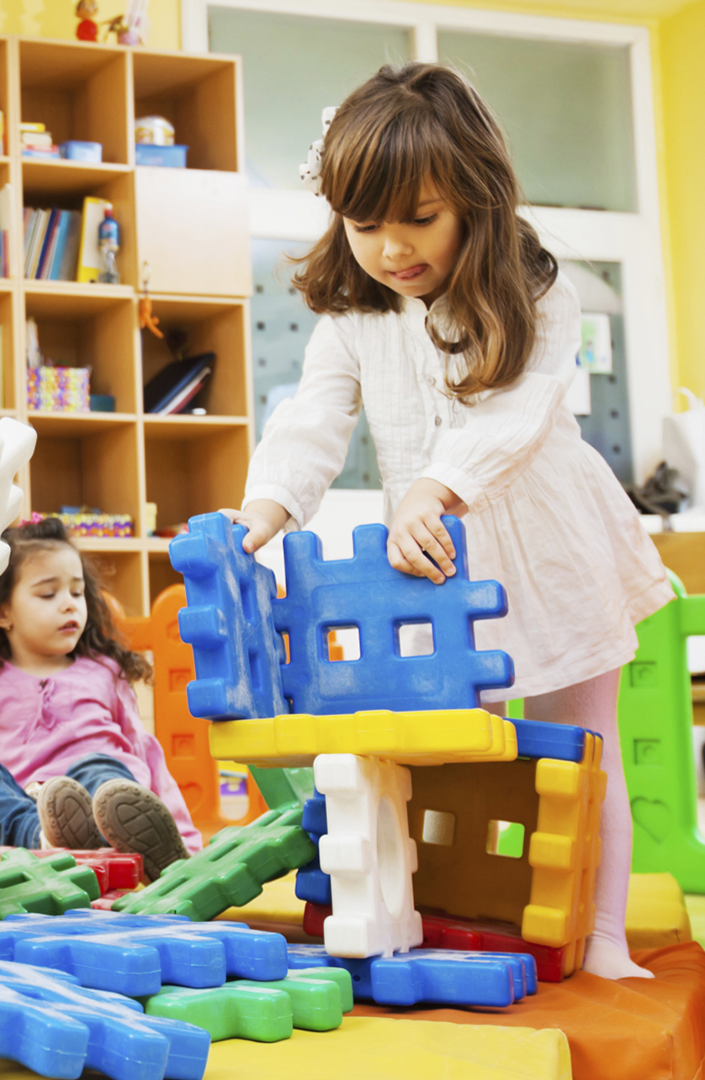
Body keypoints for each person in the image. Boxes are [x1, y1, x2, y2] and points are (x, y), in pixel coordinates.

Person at [224, 64, 668, 980]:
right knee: (452, 752)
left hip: (550, 549)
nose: (390, 247)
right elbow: (312, 423)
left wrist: (435, 487)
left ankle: (609, 934)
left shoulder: (539, 292)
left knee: (581, 751)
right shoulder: (351, 316)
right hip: (435, 561)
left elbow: (517, 416)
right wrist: (264, 509)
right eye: (363, 224)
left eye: (417, 219)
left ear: (475, 197)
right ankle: (458, 917)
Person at [0, 516, 201, 879]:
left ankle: (132, 842)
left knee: (102, 768)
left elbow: (142, 750)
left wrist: (182, 837)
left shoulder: (103, 669)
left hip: (104, 796)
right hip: (29, 806)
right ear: (2, 611)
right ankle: (43, 840)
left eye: (77, 591)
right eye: (48, 594)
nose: (69, 605)